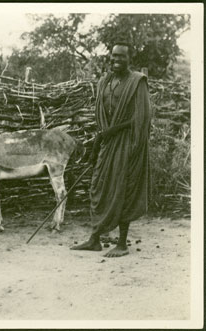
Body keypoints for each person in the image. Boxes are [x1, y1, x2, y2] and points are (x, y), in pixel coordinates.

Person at [71, 41, 152, 257]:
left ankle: (122, 243)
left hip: (127, 141)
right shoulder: (105, 82)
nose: (116, 60)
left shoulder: (137, 82)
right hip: (107, 143)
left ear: (129, 59)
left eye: (121, 57)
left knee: (123, 187)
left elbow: (140, 117)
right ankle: (94, 239)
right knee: (98, 185)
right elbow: (102, 114)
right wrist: (103, 137)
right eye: (114, 56)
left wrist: (113, 131)